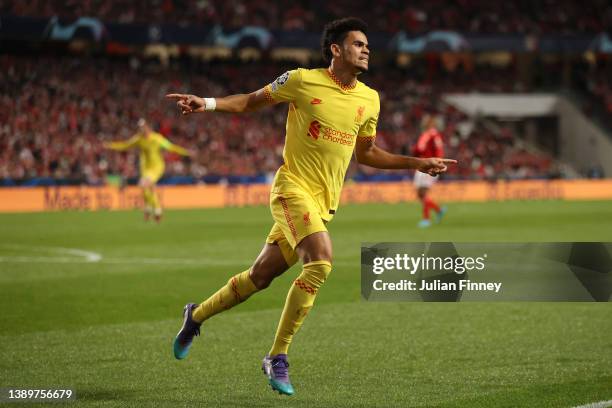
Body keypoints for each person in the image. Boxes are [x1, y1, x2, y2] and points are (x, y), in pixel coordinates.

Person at [166, 17, 456, 396]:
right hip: (291, 189)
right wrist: (205, 103)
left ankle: (196, 316)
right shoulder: (301, 80)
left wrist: (416, 163)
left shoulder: (370, 99)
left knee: (259, 277)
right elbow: (251, 102)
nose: (366, 49)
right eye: (357, 43)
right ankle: (278, 356)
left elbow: (366, 154)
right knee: (320, 261)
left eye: (367, 44)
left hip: (322, 205)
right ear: (336, 49)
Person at [104, 118, 191, 222]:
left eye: (143, 127)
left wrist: (186, 152)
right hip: (145, 169)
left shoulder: (157, 138)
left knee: (144, 185)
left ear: (147, 127)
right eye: (140, 128)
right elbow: (125, 145)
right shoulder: (138, 139)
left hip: (157, 167)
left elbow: (171, 147)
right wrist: (111, 146)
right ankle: (149, 208)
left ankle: (157, 209)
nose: (141, 129)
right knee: (145, 189)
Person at [412, 114, 447, 228]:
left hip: (430, 166)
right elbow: (418, 150)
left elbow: (439, 150)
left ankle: (426, 219)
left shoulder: (434, 135)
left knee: (423, 193)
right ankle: (439, 210)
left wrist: (438, 164)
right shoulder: (425, 134)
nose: (426, 123)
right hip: (422, 165)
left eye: (428, 121)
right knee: (419, 194)